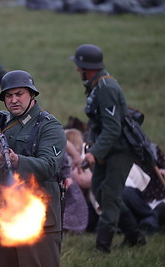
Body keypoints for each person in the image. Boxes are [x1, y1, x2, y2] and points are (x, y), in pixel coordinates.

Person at [0, 70, 67, 267]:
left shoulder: (49, 126)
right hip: (1, 213)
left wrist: (17, 160)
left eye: (19, 94)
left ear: (32, 94)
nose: (14, 100)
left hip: (35, 214)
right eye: (9, 95)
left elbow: (49, 166)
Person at [71, 44, 146, 253]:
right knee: (99, 190)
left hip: (121, 150)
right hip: (107, 148)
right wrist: (93, 145)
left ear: (88, 67)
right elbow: (96, 122)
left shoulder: (107, 88)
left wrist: (94, 153)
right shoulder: (95, 86)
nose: (78, 70)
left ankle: (102, 247)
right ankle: (134, 236)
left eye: (80, 66)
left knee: (110, 196)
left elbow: (113, 129)